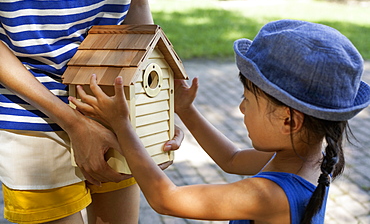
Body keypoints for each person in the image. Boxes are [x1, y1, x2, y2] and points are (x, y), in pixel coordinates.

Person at [70, 19, 370, 224]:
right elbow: (232, 158)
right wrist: (185, 110)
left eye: (248, 101)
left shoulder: (269, 194)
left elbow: (166, 199)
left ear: (289, 120)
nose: (240, 109)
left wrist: (123, 125)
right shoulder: (311, 158)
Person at [0, 0, 182, 223]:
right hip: (32, 113)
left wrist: (151, 105)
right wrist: (75, 123)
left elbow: (136, 5)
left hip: (114, 105)